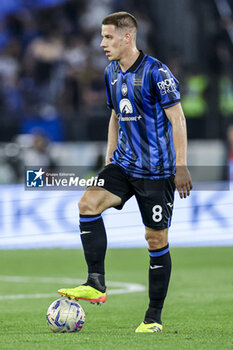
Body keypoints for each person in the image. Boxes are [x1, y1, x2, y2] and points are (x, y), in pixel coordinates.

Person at [58, 11, 193, 333]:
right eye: (102, 36)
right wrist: (109, 157)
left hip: (157, 171)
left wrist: (181, 166)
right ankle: (95, 283)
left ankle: (153, 318)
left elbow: (178, 119)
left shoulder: (156, 72)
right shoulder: (110, 73)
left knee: (155, 238)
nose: (102, 43)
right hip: (124, 163)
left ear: (127, 37)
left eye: (107, 37)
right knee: (87, 205)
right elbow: (116, 115)